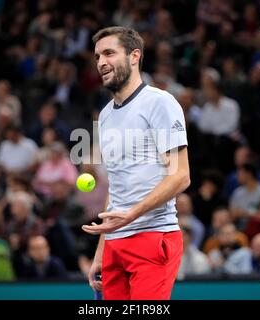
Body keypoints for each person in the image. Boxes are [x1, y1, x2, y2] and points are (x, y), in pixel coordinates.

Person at [82, 27, 190, 300]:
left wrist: (132, 214)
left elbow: (181, 177)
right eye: (97, 57)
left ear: (134, 56)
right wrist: (101, 251)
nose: (101, 62)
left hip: (153, 237)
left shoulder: (160, 103)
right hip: (115, 245)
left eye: (109, 53)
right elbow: (117, 188)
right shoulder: (105, 115)